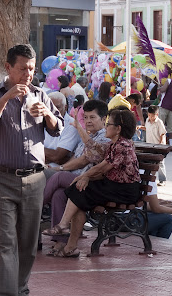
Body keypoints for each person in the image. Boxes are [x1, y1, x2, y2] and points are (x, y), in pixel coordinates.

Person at [0, 44, 62, 296]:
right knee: (4, 241)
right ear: (8, 67)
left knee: (27, 243)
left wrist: (47, 114)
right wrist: (7, 98)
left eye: (32, 69)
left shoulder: (40, 94)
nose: (28, 74)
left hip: (35, 180)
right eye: (22, 68)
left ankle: (20, 289)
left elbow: (58, 128)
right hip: (2, 179)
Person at [47, 109, 140, 258]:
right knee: (78, 192)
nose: (106, 126)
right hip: (112, 186)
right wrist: (86, 178)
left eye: (108, 124)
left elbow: (102, 167)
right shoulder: (114, 144)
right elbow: (98, 163)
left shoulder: (123, 146)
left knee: (77, 188)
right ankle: (69, 242)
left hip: (124, 191)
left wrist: (84, 176)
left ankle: (63, 227)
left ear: (118, 129)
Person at [42, 100, 110, 229]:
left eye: (92, 117)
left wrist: (59, 169)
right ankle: (60, 242)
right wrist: (60, 168)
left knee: (53, 176)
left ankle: (32, 210)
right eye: (85, 117)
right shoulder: (88, 136)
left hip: (89, 182)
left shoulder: (105, 137)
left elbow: (84, 160)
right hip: (74, 180)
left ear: (103, 119)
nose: (88, 121)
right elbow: (74, 159)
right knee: (58, 195)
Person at [144, 105, 167, 184]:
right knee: (150, 162)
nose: (150, 117)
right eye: (149, 115)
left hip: (158, 146)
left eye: (152, 116)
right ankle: (150, 178)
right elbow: (147, 128)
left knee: (160, 163)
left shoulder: (159, 122)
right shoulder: (147, 120)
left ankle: (162, 180)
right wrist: (141, 127)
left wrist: (160, 144)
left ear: (156, 115)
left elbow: (162, 133)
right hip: (150, 145)